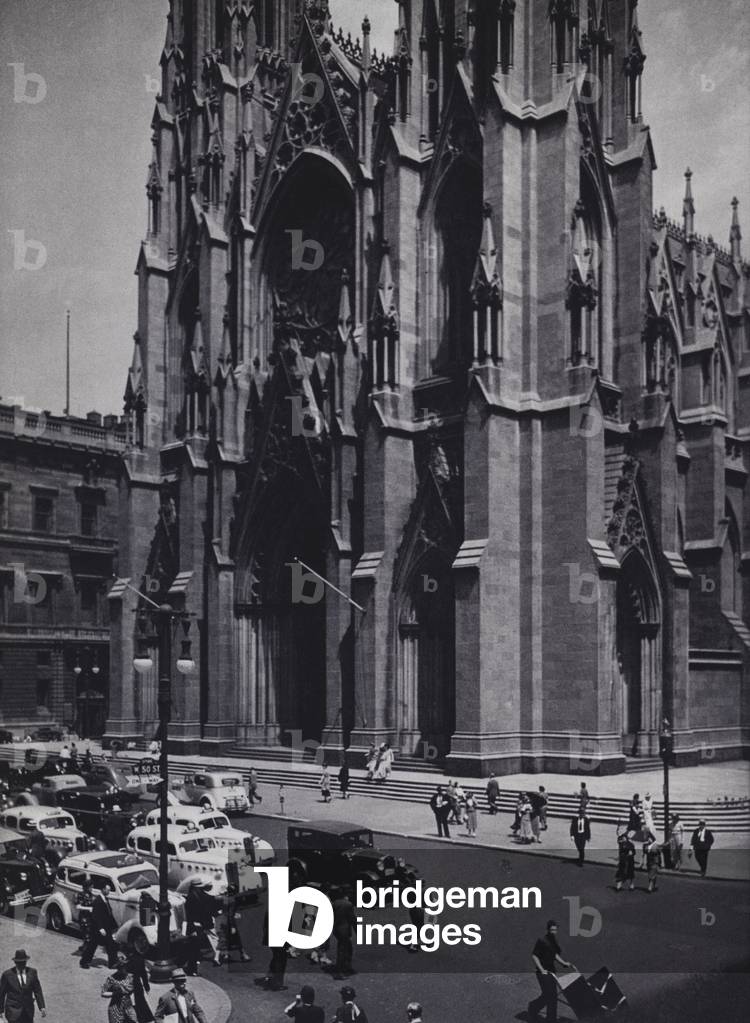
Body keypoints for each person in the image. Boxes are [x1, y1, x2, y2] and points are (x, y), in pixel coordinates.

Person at [528, 920, 575, 1023]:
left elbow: (554, 955)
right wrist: (541, 969)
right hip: (542, 972)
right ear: (548, 930)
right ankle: (549, 1019)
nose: (554, 932)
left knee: (549, 996)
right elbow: (534, 955)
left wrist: (564, 963)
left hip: (551, 971)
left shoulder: (553, 941)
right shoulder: (542, 941)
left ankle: (533, 1008)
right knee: (551, 996)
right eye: (552, 930)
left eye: (555, 930)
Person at [0, 949, 47, 1022]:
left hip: (28, 1011)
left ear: (26, 961)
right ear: (15, 962)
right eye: (19, 963)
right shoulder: (7, 975)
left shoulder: (32, 972)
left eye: (23, 962)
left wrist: (42, 1007)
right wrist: (0, 1010)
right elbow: (1, 993)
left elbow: (37, 990)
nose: (22, 965)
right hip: (13, 1012)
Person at [80, 882, 119, 969]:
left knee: (111, 945)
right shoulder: (98, 901)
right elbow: (96, 916)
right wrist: (100, 928)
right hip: (98, 929)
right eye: (107, 889)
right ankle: (84, 961)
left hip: (106, 927)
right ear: (103, 889)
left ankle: (112, 963)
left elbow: (109, 914)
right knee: (92, 946)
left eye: (109, 890)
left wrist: (114, 926)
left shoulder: (105, 899)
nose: (109, 891)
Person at [101, 952, 137, 1023]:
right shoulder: (111, 978)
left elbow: (135, 991)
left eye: (125, 966)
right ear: (117, 968)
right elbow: (103, 993)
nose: (123, 969)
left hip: (128, 1006)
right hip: (115, 1007)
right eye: (121, 967)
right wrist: (114, 993)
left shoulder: (131, 977)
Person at [331, 888, 356, 980]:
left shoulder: (335, 903)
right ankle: (341, 971)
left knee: (346, 948)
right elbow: (352, 919)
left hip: (337, 930)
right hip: (344, 930)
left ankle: (345, 967)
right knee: (344, 950)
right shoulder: (348, 904)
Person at [127, 951, 153, 1023]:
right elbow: (143, 974)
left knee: (128, 1000)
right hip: (136, 982)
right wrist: (146, 986)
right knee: (140, 1000)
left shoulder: (126, 960)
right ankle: (143, 1018)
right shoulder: (140, 959)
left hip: (128, 981)